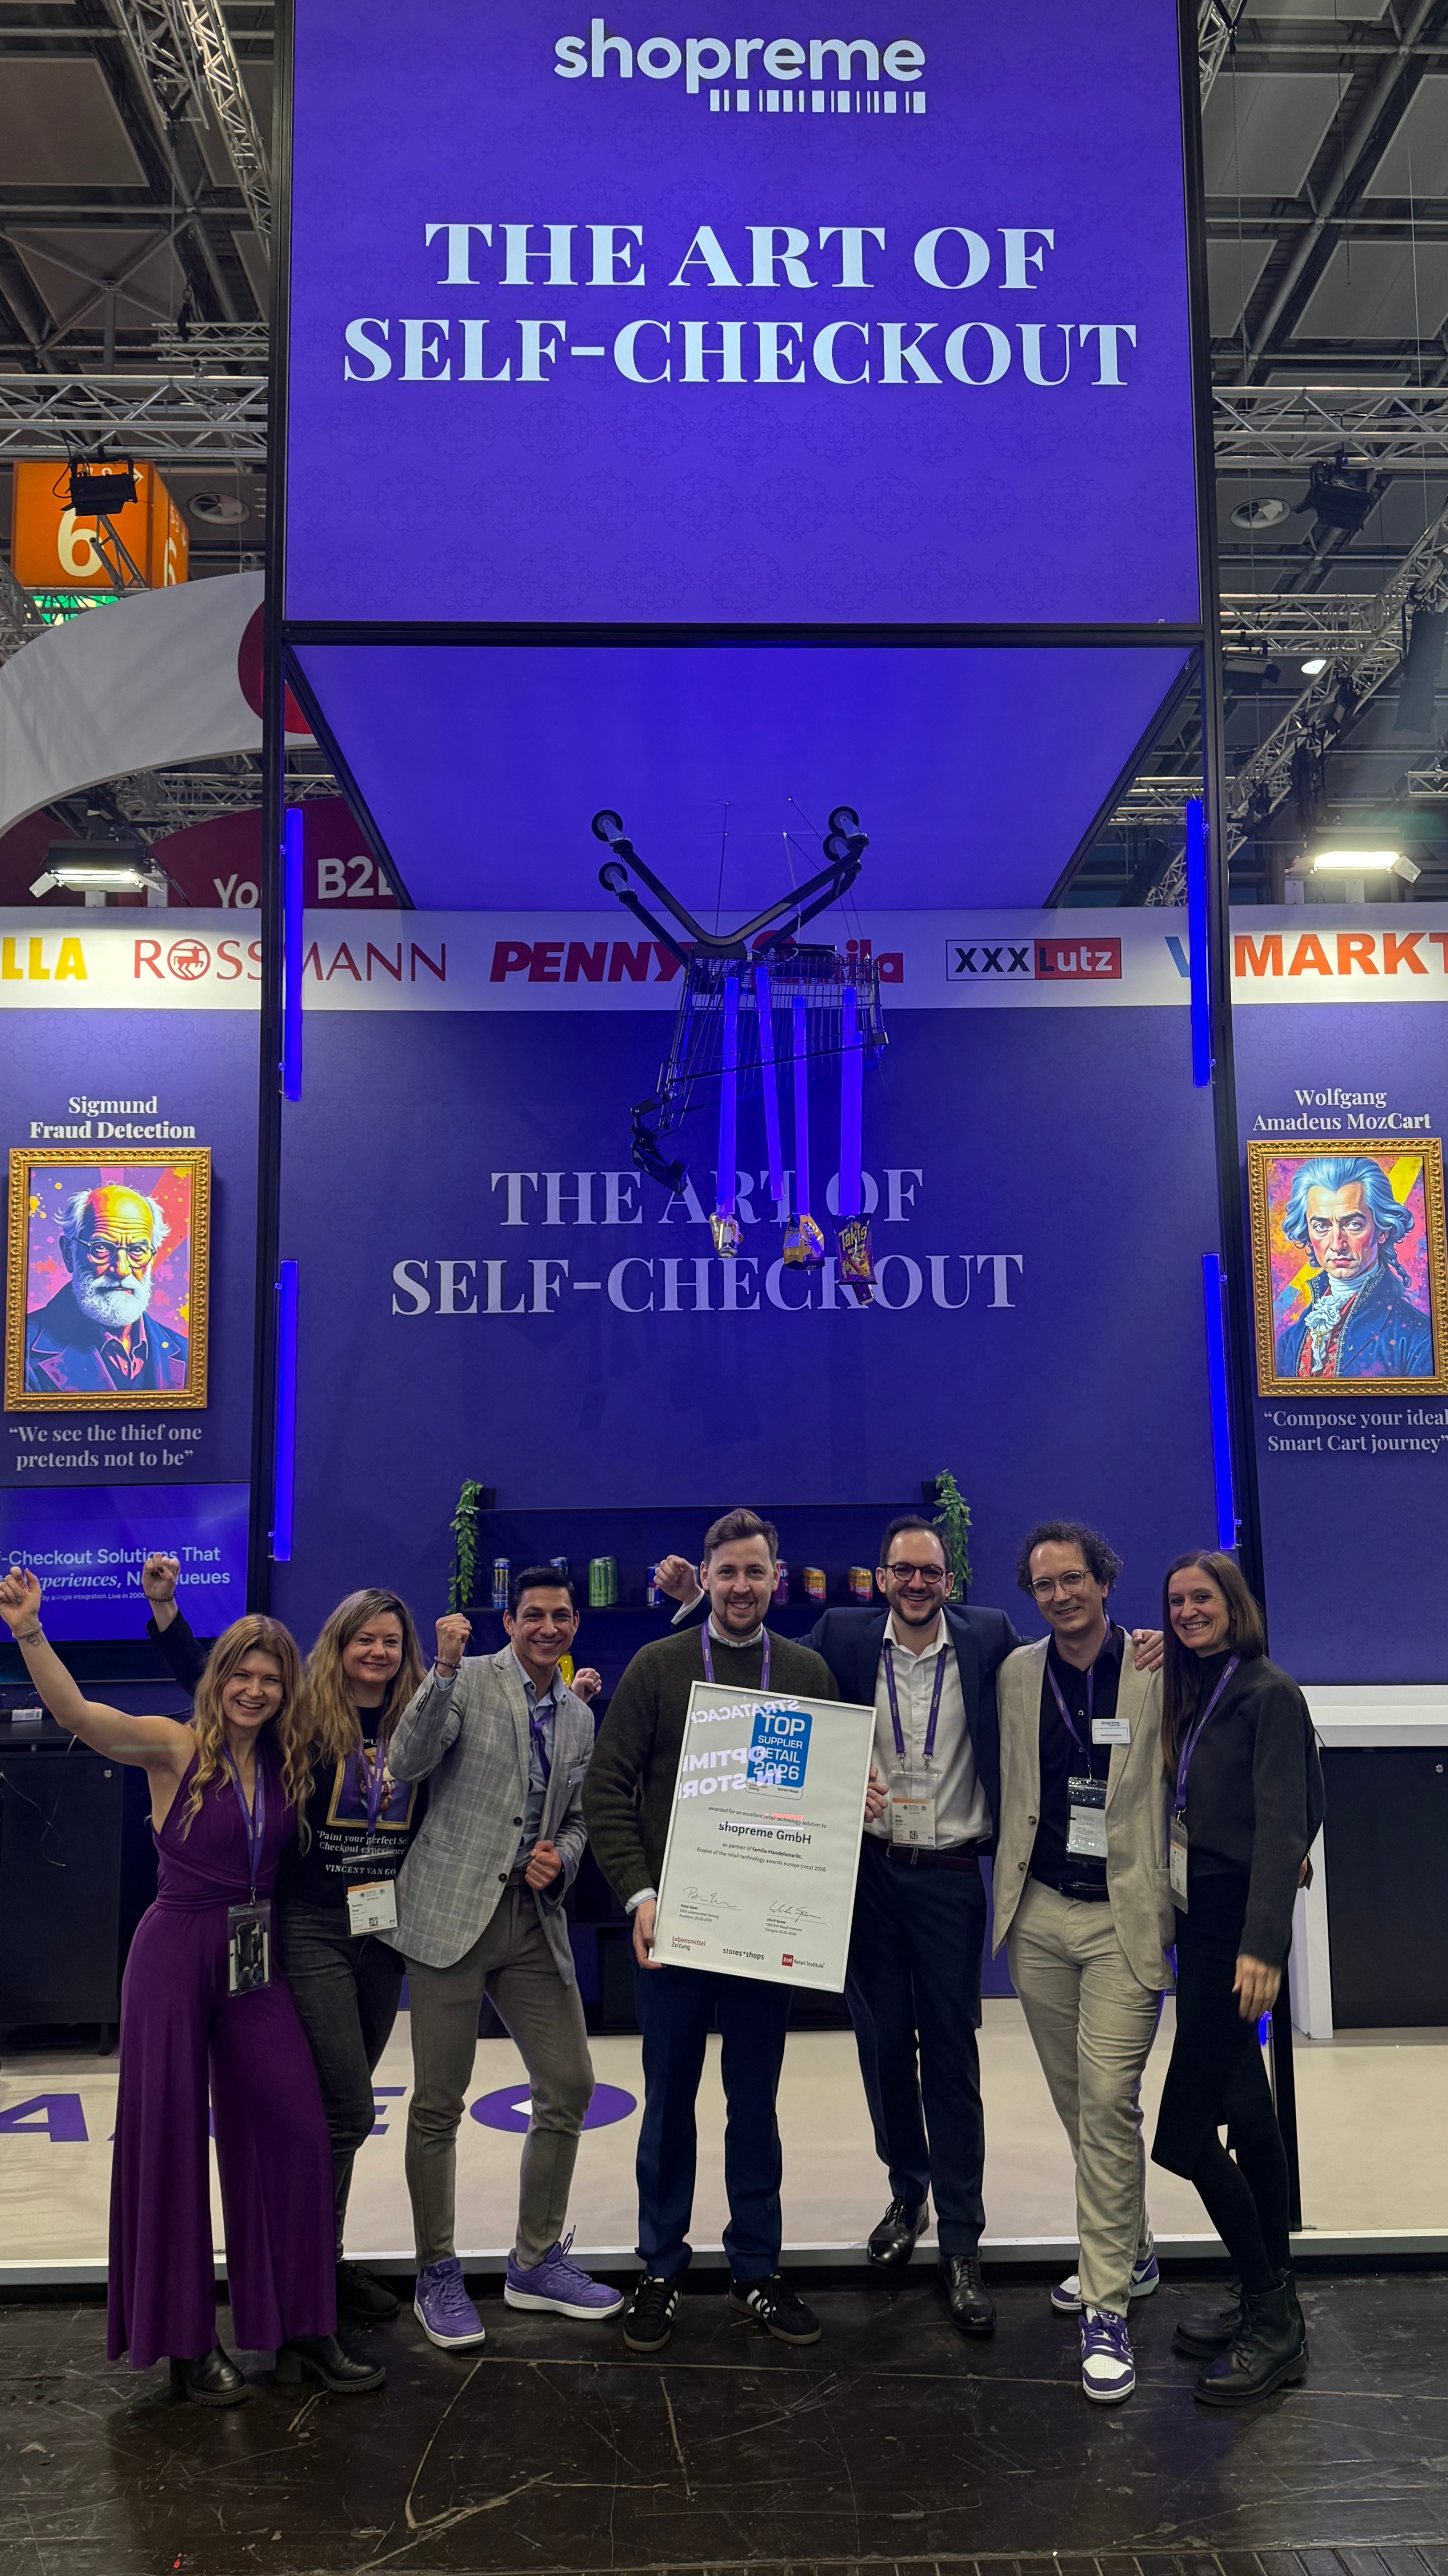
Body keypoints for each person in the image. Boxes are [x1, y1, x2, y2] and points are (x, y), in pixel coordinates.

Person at [0, 1571, 382, 2404]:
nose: (255, 1688)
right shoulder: (173, 1745)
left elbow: (366, 1695)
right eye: (242, 1672)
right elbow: (78, 1716)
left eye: (270, 1677)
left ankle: (302, 2325)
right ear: (219, 1678)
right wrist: (30, 1631)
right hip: (173, 1950)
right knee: (168, 2142)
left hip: (254, 1956)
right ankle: (185, 2343)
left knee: (296, 2127)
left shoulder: (288, 1757)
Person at [142, 1558, 428, 2324]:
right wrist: (167, 1614)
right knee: (347, 2107)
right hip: (308, 1924)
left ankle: (317, 2262)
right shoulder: (303, 1717)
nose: (378, 1651)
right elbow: (216, 1682)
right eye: (364, 1638)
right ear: (338, 1644)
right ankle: (309, 2270)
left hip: (383, 1929)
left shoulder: (419, 1721)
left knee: (339, 2109)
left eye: (392, 1641)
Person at [583, 1509, 839, 2354]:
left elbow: (824, 1797)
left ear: (776, 1578)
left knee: (754, 2103)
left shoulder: (805, 1671)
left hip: (766, 1925)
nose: (740, 1586)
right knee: (668, 2105)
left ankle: (755, 2267)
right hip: (678, 1926)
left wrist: (854, 1798)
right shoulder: (659, 1666)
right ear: (705, 1576)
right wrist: (640, 1894)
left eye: (755, 1571)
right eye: (726, 1571)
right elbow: (606, 1789)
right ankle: (660, 2267)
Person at [384, 1565, 619, 2350]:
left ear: (575, 1624)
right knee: (437, 2102)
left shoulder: (578, 1713)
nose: (548, 1628)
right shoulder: (468, 1679)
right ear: (510, 1620)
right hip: (450, 1914)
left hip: (530, 1920)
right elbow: (407, 1761)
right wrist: (443, 1669)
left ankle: (534, 2262)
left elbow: (579, 1817)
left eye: (561, 1616)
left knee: (569, 2083)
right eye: (533, 1615)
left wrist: (566, 1855)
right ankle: (436, 2270)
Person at [803, 1516, 1019, 2338]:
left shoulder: (991, 1637)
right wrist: (693, 1603)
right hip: (868, 1872)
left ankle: (961, 2240)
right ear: (883, 1577)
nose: (917, 1582)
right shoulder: (841, 1636)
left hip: (952, 1873)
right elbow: (766, 1673)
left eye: (930, 1571)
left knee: (952, 2053)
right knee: (885, 2042)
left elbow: (1062, 1668)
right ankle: (908, 2192)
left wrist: (1134, 1646)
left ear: (948, 1580)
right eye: (904, 1570)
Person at [992, 1522, 1174, 2405]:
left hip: (1121, 1920)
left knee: (1107, 2102)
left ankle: (1105, 2306)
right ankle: (1131, 2252)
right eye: (1044, 1584)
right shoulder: (1016, 1673)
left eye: (1073, 1579)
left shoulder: (1157, 1666)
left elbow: (1203, 1769)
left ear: (1104, 1582)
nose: (1060, 1595)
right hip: (1039, 1916)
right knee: (1080, 2104)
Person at [1151, 1550, 1324, 2407]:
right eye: (1177, 1601)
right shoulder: (1195, 1689)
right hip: (1200, 1920)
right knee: (1250, 2117)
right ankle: (1273, 2295)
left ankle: (1272, 2315)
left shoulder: (1268, 1691)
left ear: (1235, 1603)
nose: (1189, 1611)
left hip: (1235, 1932)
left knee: (1183, 2138)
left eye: (1203, 1597)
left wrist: (1264, 1945)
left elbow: (1289, 1819)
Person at [1274, 1153, 1432, 1380]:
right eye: (1321, 1226)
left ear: (1382, 1230)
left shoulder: (1419, 1339)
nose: (1337, 1244)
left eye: (1353, 1224)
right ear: (1307, 1232)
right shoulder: (1291, 1340)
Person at [25, 1186, 187, 1394]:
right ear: (69, 1254)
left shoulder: (185, 1352)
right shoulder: (21, 1350)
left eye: (138, 1251)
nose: (122, 1269)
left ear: (151, 1259)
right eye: (101, 1248)